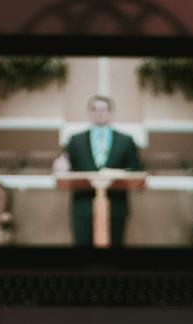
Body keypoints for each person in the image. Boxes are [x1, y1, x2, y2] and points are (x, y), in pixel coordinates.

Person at [54, 95, 142, 247]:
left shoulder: (126, 140)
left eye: (103, 109)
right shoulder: (75, 140)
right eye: (95, 109)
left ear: (111, 112)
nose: (99, 113)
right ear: (89, 113)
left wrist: (118, 174)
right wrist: (60, 166)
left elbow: (136, 169)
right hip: (83, 205)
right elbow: (66, 165)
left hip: (116, 205)